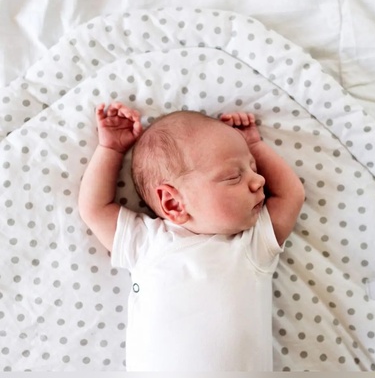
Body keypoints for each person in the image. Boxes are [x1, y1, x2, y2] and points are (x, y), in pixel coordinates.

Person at [78, 102, 305, 371]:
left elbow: (291, 195)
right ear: (173, 203)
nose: (259, 181)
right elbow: (95, 208)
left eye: (254, 168)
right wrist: (111, 150)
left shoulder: (252, 243)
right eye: (234, 176)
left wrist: (255, 146)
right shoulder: (148, 243)